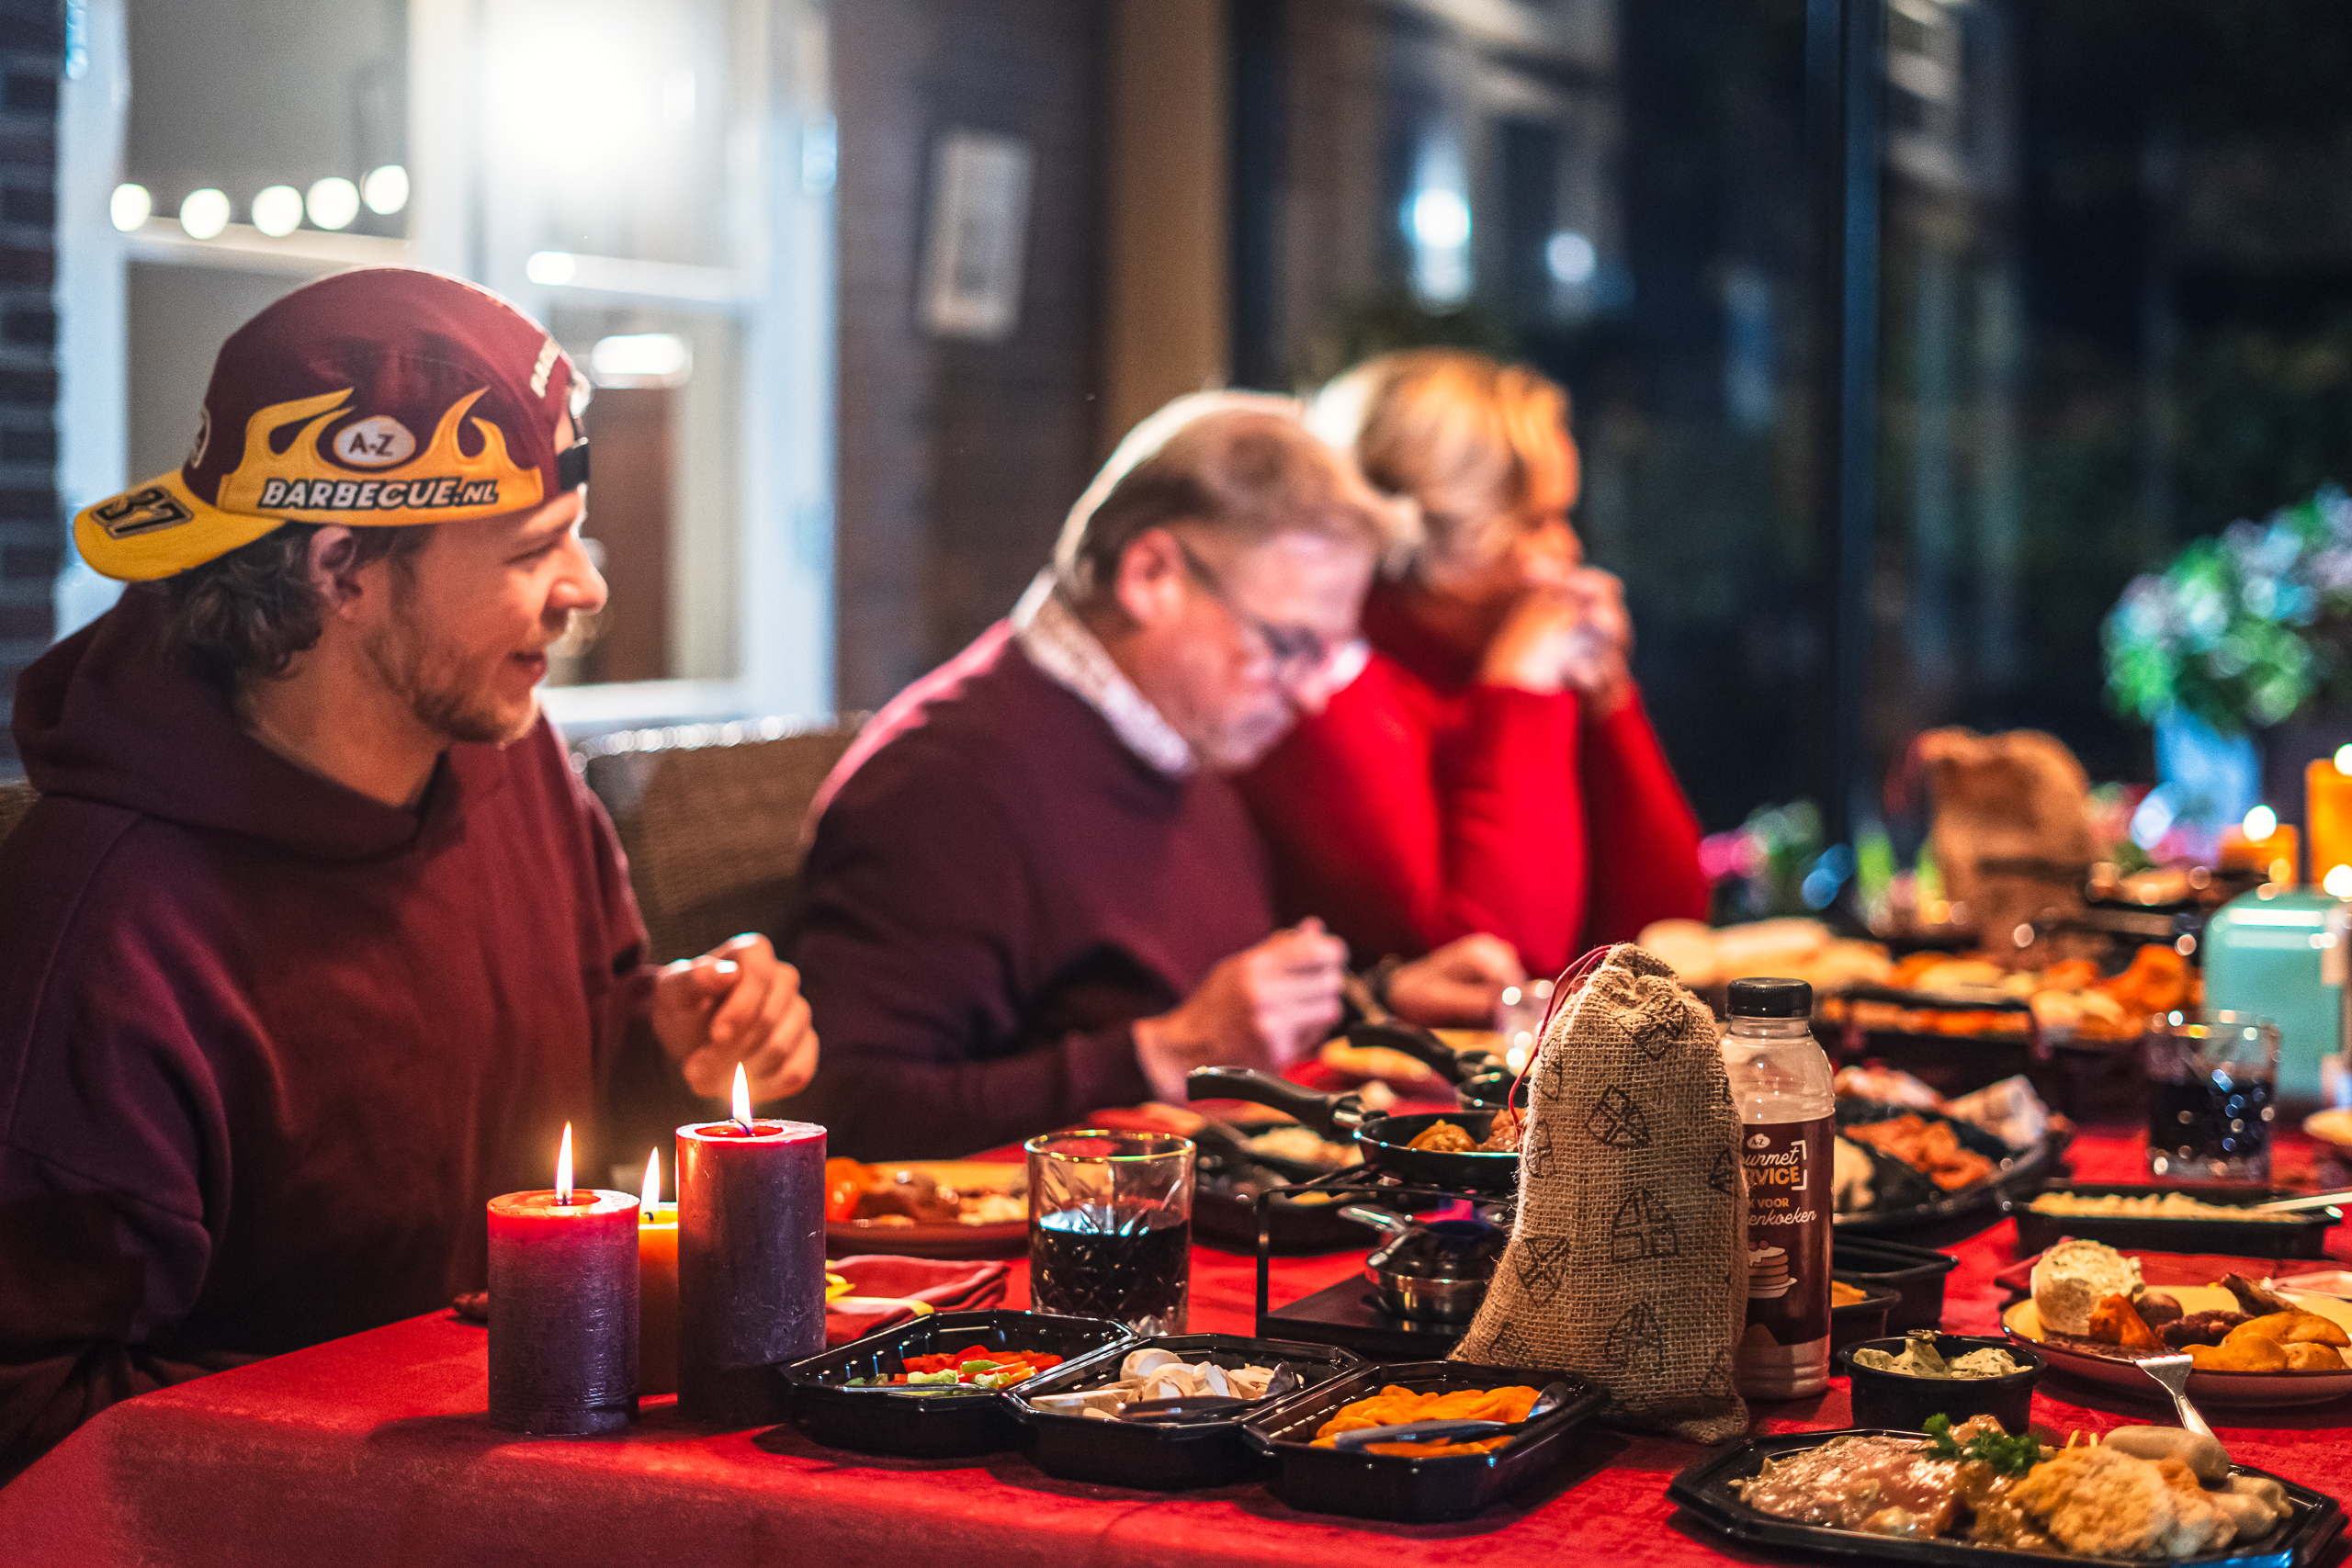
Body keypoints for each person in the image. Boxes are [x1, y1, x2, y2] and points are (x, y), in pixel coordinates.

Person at [0, 268, 818, 1481]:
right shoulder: (107, 919)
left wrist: (677, 1045)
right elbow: (34, 1415)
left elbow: (580, 1122)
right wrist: (427, 1414)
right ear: (342, 570)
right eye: (535, 546)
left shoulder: (515, 757)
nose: (588, 586)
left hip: (553, 1483)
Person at [786, 393, 1522, 1159]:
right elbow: (840, 1108)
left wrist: (1374, 1000)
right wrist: (1161, 1055)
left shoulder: (1173, 734)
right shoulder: (943, 783)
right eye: (1288, 644)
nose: (1310, 693)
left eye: (1332, 656)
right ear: (1151, 574)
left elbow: (1177, 997)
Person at [1238, 350, 1709, 977]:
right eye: (1538, 521)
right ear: (1434, 529)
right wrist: (1520, 688)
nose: (1568, 548)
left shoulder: (1484, 652)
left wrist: (1608, 702)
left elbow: (1669, 928)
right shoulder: (1326, 684)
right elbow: (1493, 969)